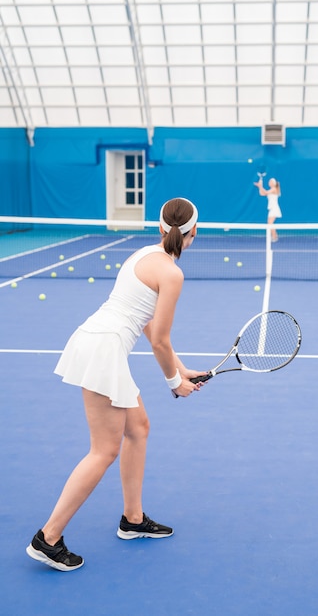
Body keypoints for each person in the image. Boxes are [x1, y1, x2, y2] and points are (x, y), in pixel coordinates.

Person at [26, 197, 206, 572]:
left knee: (138, 428)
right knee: (103, 451)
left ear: (160, 229)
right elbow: (158, 339)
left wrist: (182, 369)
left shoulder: (143, 254)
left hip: (95, 340)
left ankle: (133, 519)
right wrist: (175, 382)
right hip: (103, 351)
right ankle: (49, 538)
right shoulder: (172, 274)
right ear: (194, 234)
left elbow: (146, 324)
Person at [254, 176, 282, 242]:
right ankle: (275, 236)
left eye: (270, 181)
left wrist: (260, 186)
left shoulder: (274, 189)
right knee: (269, 224)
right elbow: (262, 193)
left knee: (270, 224)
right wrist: (260, 186)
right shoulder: (271, 190)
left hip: (274, 209)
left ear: (273, 183)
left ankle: (274, 237)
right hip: (271, 209)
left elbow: (266, 192)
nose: (269, 182)